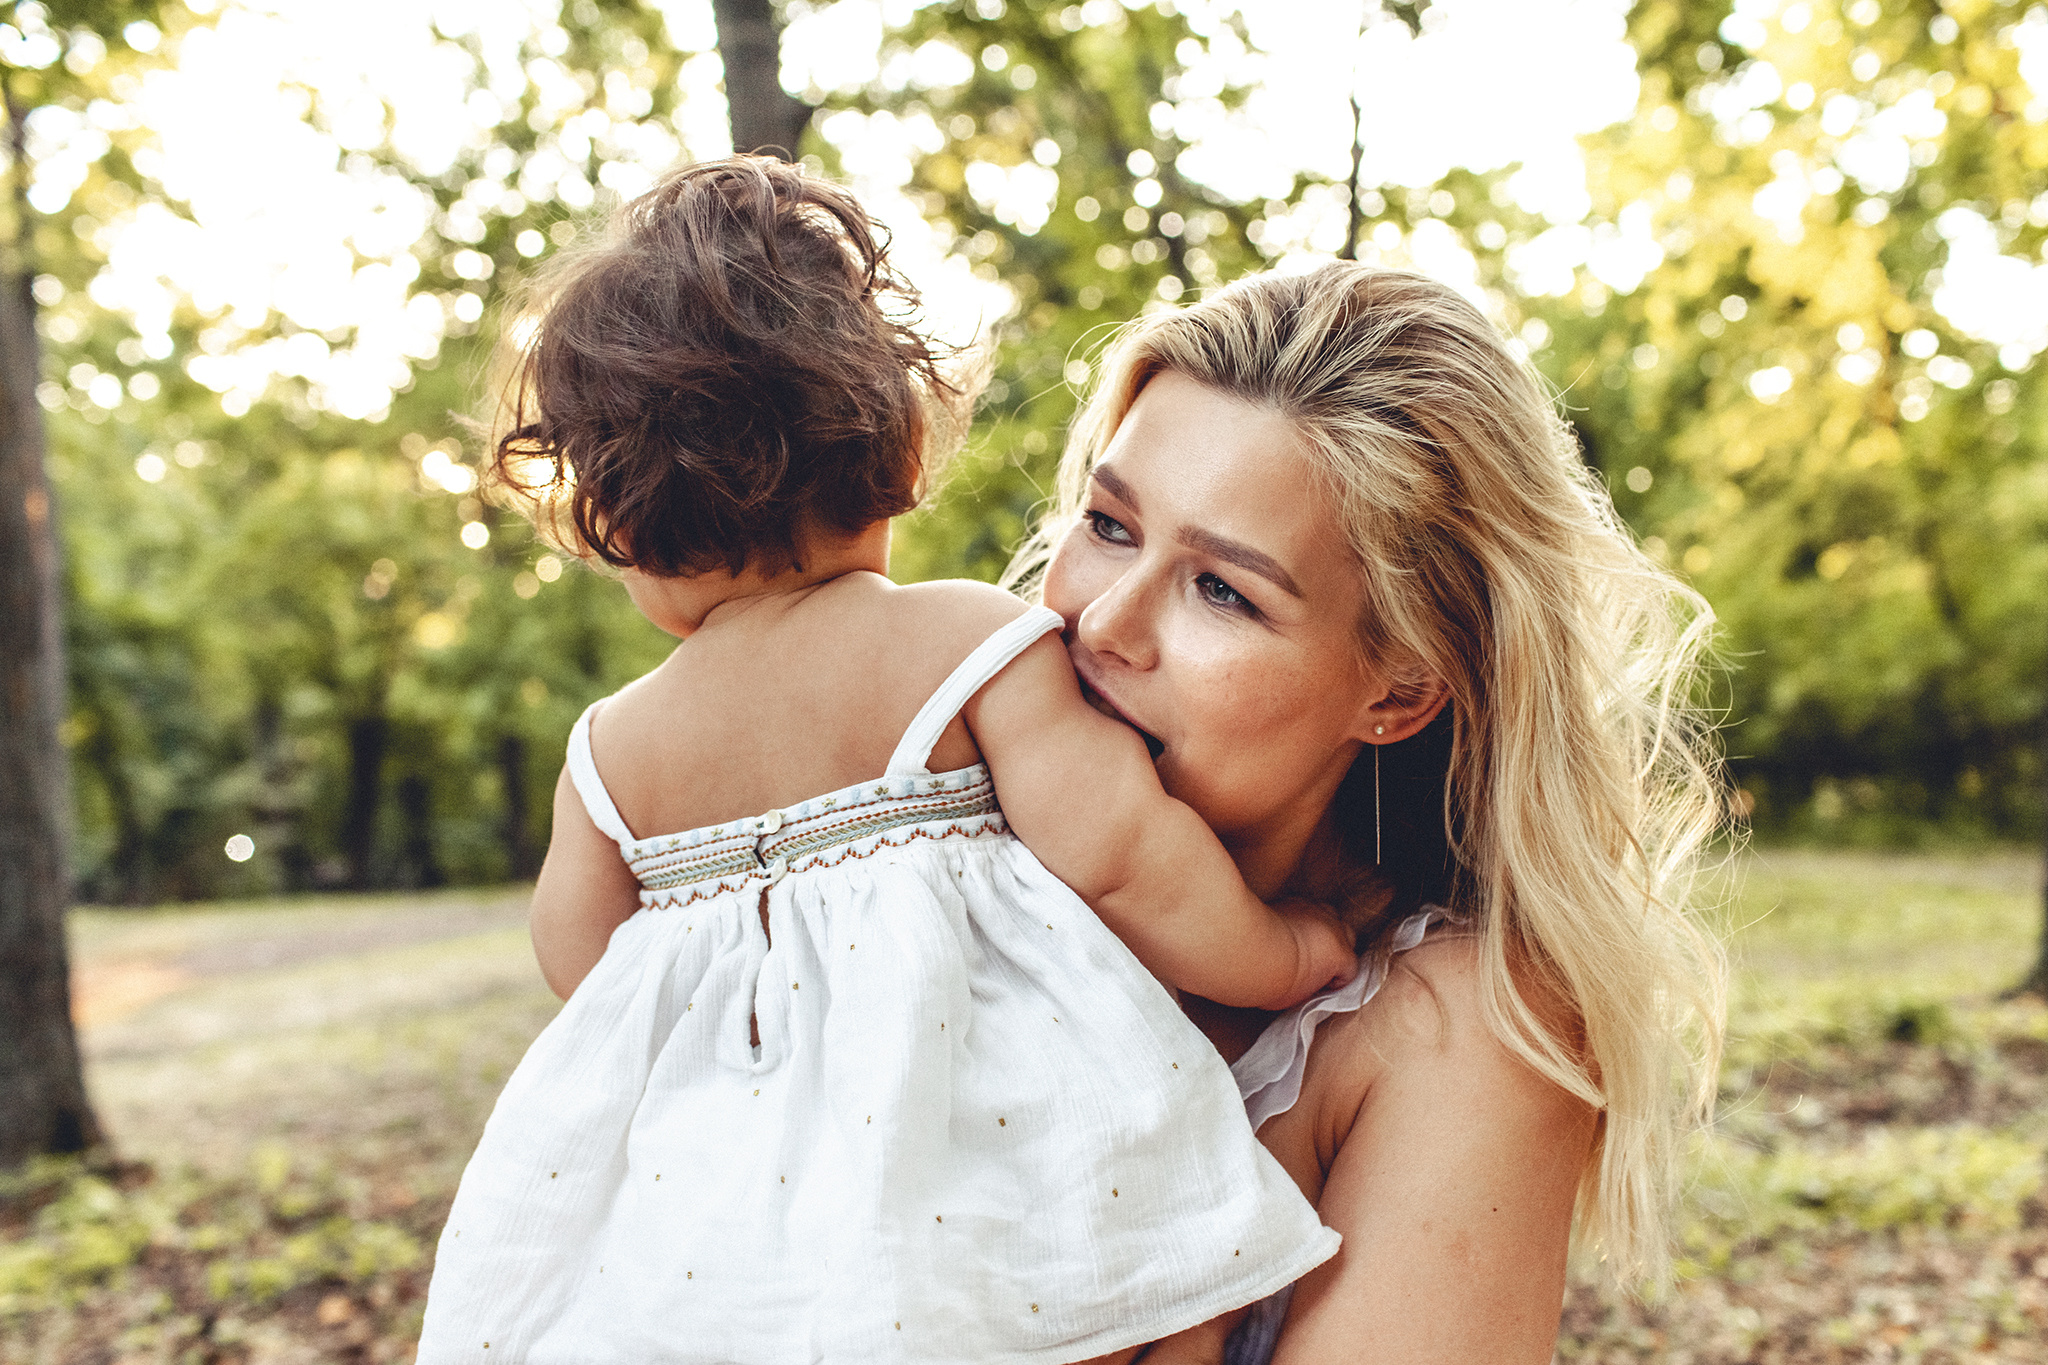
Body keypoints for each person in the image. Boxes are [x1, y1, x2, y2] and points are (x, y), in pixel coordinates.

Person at [413, 157, 1362, 1365]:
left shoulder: (609, 750)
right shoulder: (962, 642)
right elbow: (1118, 855)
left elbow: (583, 969)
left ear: (616, 526)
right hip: (981, 1155)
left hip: (748, 1240)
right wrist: (1283, 951)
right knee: (1165, 1282)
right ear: (903, 448)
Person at [1009, 263, 1728, 1363]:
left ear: (1394, 689)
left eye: (1222, 591)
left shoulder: (1458, 1032)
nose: (1102, 621)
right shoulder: (883, 861)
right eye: (1107, 524)